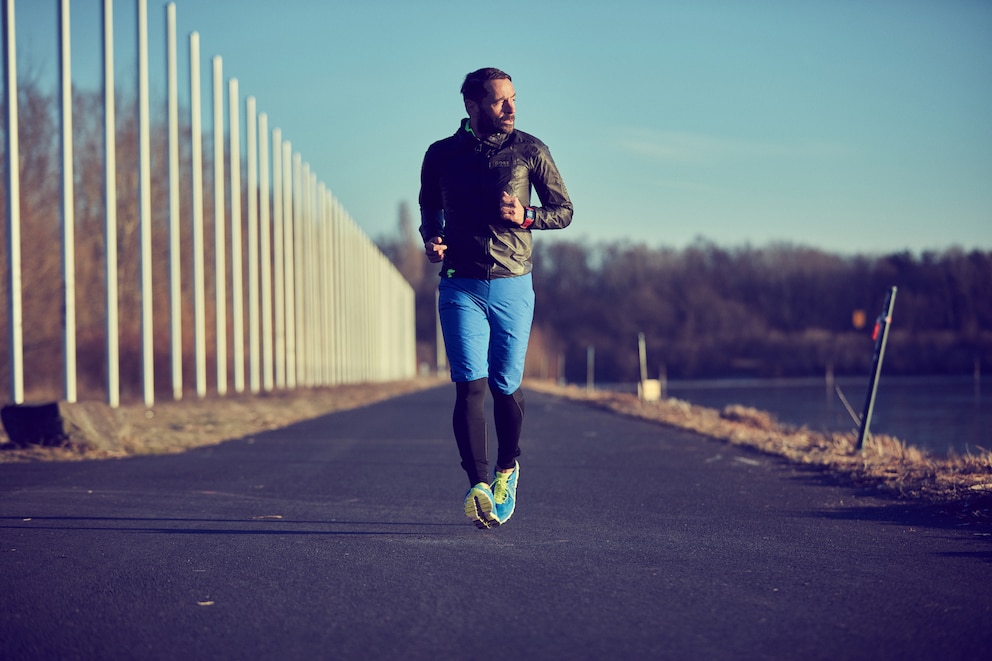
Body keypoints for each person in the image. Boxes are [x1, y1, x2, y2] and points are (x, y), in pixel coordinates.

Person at [418, 67, 573, 528]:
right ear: (472, 106)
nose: (511, 108)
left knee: (506, 384)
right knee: (470, 382)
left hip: (512, 282)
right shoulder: (441, 154)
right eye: (500, 101)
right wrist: (433, 236)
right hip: (459, 283)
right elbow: (430, 206)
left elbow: (564, 211)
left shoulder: (530, 149)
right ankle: (479, 487)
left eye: (513, 99)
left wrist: (526, 215)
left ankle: (507, 470)